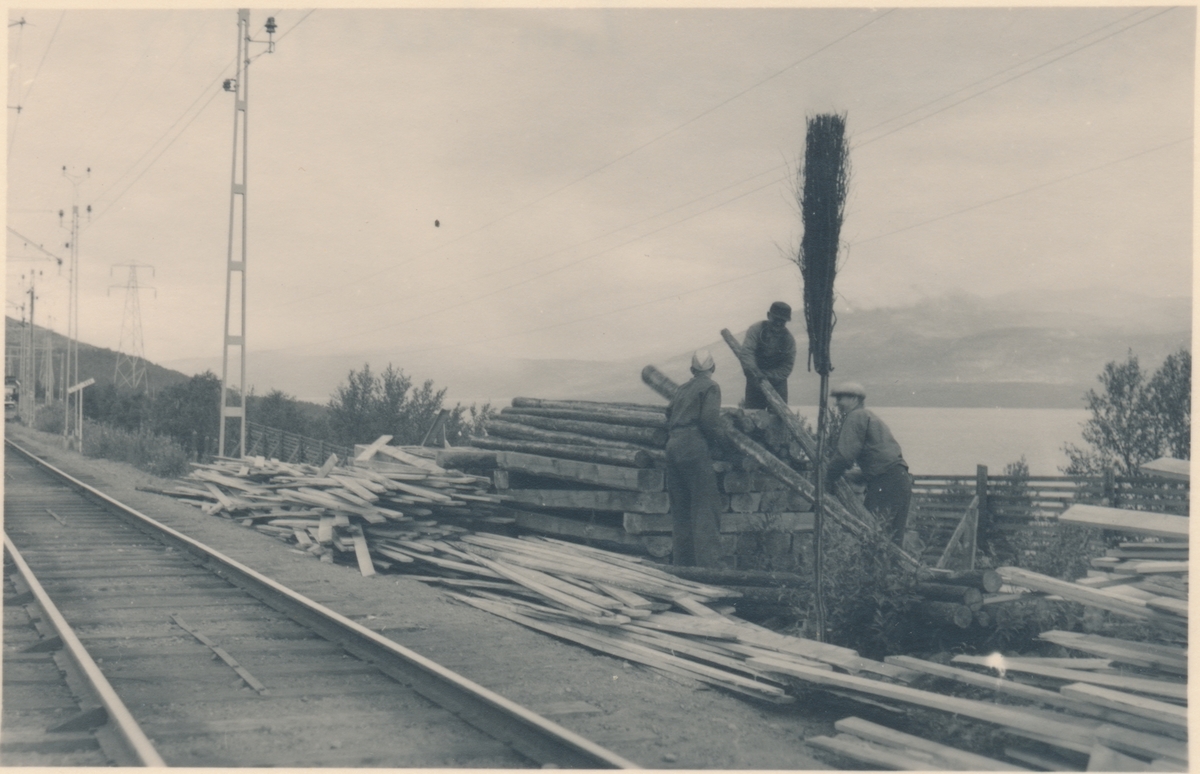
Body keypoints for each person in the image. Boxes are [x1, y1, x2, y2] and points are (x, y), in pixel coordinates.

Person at [824, 382, 914, 545]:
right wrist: (857, 475)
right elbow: (883, 457)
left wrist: (827, 479)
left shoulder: (855, 416)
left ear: (854, 399)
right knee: (892, 542)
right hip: (900, 480)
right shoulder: (870, 416)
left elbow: (844, 456)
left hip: (886, 482)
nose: (836, 403)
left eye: (840, 398)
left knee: (872, 539)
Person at [664, 350, 724, 567]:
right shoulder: (711, 387)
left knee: (681, 508)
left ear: (692, 370)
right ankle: (709, 568)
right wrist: (721, 444)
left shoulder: (682, 388)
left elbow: (668, 413)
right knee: (705, 506)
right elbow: (709, 422)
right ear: (713, 368)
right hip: (692, 446)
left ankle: (683, 565)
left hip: (672, 446)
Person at [742, 301, 796, 409]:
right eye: (776, 319)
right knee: (752, 414)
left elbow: (787, 366)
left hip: (777, 383)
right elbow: (747, 353)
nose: (778, 324)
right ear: (768, 315)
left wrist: (768, 376)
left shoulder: (788, 340)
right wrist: (755, 373)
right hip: (754, 380)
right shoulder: (755, 330)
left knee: (779, 415)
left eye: (782, 321)